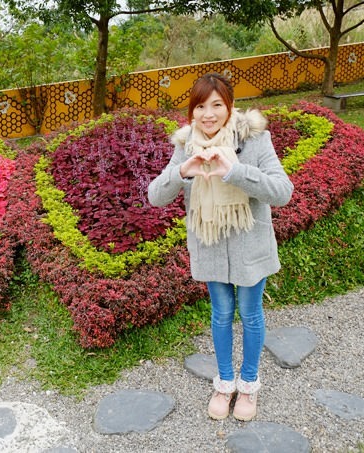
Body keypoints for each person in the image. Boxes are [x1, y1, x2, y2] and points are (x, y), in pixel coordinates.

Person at [148, 73, 293, 422]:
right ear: (191, 112)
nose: (208, 114)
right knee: (221, 313)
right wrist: (183, 170)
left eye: (216, 105)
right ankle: (225, 382)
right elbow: (155, 197)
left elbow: (282, 192)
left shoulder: (255, 140)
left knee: (251, 311)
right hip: (210, 245)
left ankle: (249, 384)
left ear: (229, 107)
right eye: (200, 106)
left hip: (250, 246)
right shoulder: (185, 146)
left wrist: (236, 171)